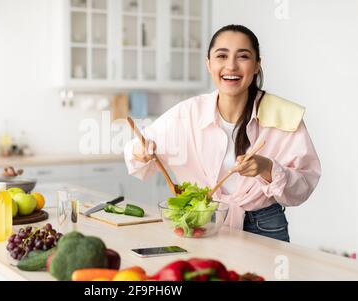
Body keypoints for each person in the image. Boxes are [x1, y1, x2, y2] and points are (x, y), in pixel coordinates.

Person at [124, 25, 321, 242]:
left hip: (264, 226)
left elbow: (304, 185)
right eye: (222, 56)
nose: (231, 65)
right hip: (201, 221)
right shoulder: (188, 112)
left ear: (257, 65)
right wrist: (140, 151)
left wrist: (267, 168)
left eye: (243, 56)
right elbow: (138, 150)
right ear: (209, 64)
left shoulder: (284, 116)